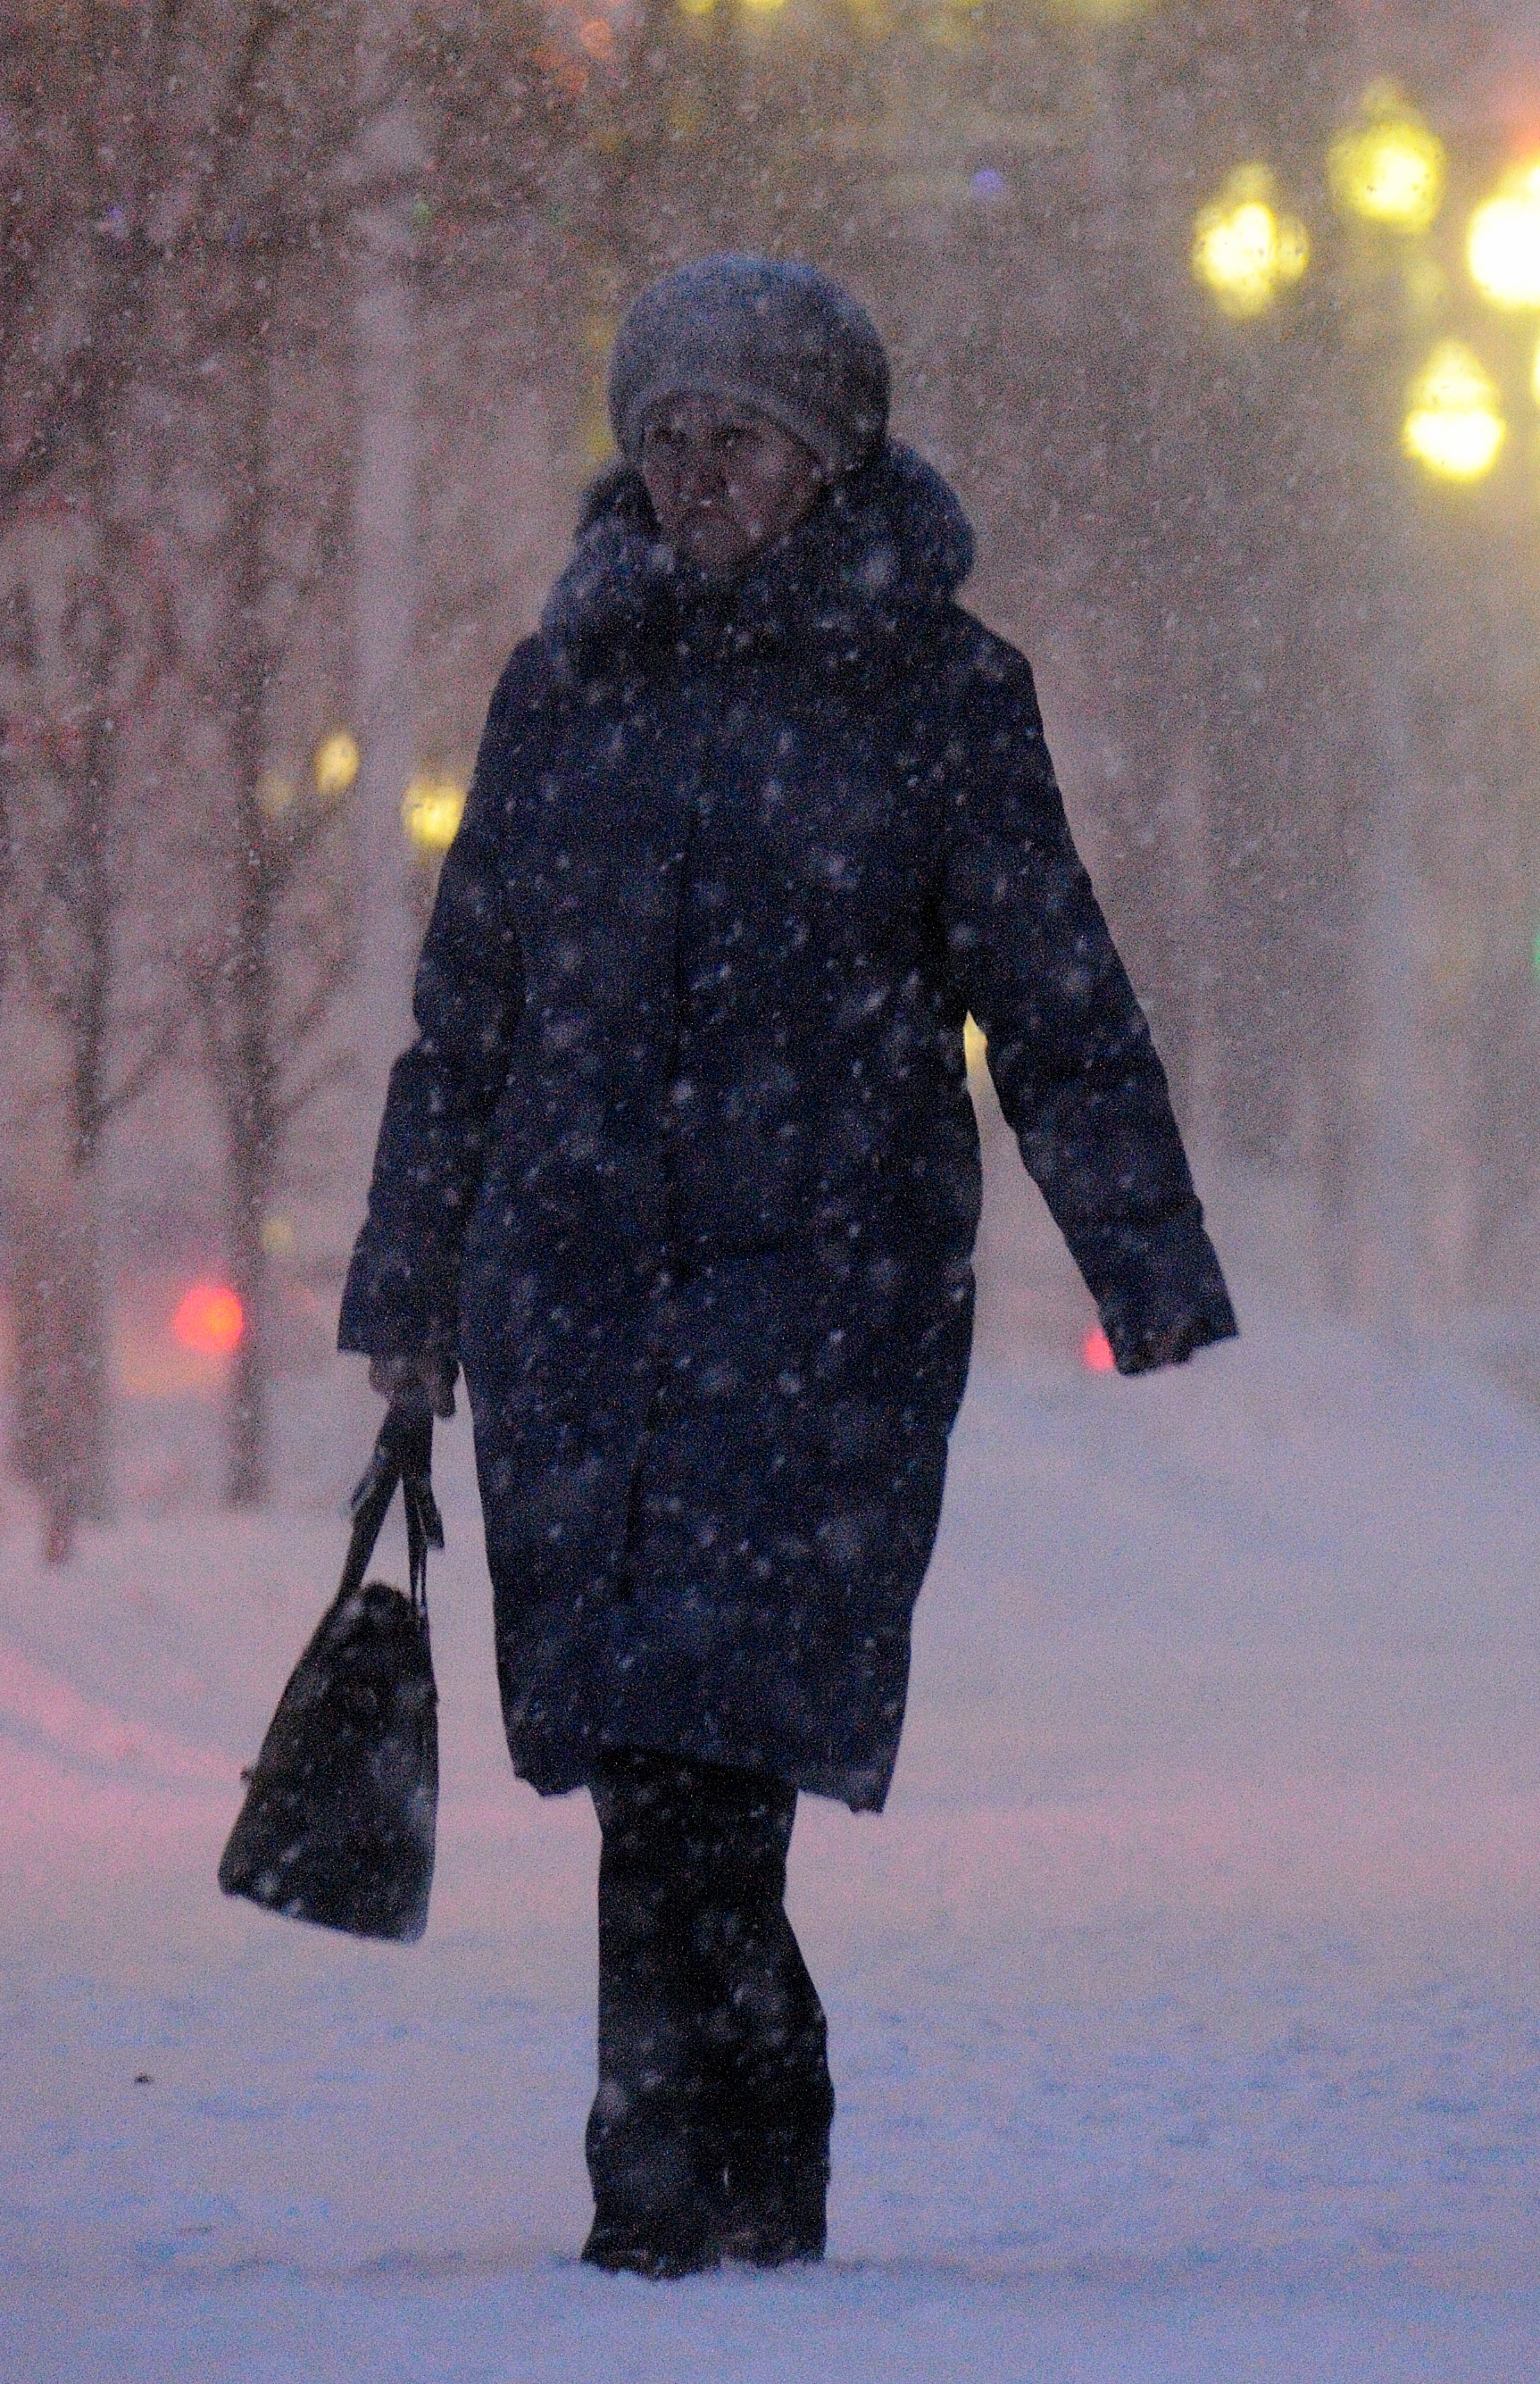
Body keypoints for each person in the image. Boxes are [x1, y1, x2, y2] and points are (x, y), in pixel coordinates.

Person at [338, 256, 1236, 2280]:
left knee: (704, 1762)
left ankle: (658, 2196)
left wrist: (1145, 1258)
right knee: (653, 1762)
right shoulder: (564, 682)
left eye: (730, 434)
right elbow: (466, 1007)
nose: (688, 474)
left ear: (827, 454)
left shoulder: (935, 689)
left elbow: (1049, 991)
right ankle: (743, 2168)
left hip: (819, 1304)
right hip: (571, 1297)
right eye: (660, 436)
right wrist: (410, 1287)